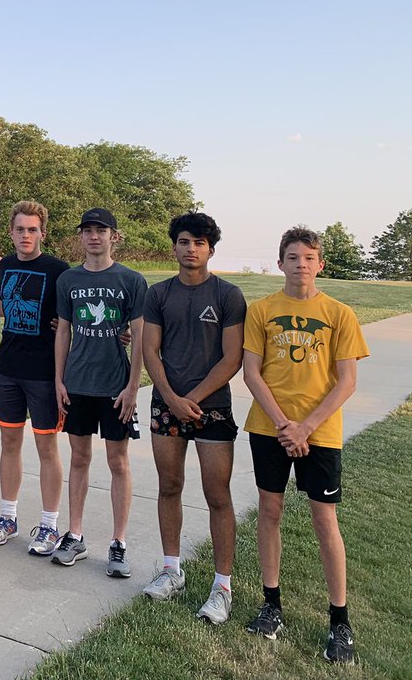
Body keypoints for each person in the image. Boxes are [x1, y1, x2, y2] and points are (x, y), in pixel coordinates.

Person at [242, 226, 368, 664]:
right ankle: (271, 605)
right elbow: (252, 373)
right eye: (293, 257)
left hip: (321, 432)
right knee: (270, 510)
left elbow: (347, 381)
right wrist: (284, 425)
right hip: (269, 429)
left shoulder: (339, 314)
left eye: (309, 257)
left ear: (320, 264)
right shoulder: (262, 310)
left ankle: (340, 621)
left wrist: (306, 427)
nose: (301, 264)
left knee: (324, 519)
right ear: (280, 263)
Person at [140, 212, 246, 624]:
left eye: (199, 243)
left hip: (212, 407)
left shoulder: (228, 295)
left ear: (211, 250)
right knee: (169, 486)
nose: (191, 249)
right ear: (174, 247)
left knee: (217, 495)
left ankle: (222, 588)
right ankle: (171, 570)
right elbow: (150, 350)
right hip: (166, 404)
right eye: (184, 241)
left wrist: (192, 399)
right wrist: (171, 397)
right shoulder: (158, 293)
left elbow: (232, 358)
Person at [52, 208, 146, 578]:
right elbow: (63, 331)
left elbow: (140, 336)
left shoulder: (131, 280)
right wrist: (59, 380)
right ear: (81, 237)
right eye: (88, 230)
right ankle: (75, 535)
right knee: (79, 458)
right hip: (78, 383)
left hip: (115, 387)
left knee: (118, 462)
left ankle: (118, 543)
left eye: (101, 231)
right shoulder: (68, 280)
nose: (94, 236)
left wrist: (133, 386)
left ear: (114, 237)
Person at [0, 200, 69, 555]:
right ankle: (7, 517)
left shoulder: (58, 269)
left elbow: (71, 316)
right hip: (8, 368)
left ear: (42, 233)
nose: (25, 235)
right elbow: (3, 304)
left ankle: (49, 525)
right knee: (9, 443)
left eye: (32, 229)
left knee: (47, 447)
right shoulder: (4, 265)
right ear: (11, 232)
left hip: (43, 373)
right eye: (20, 229)